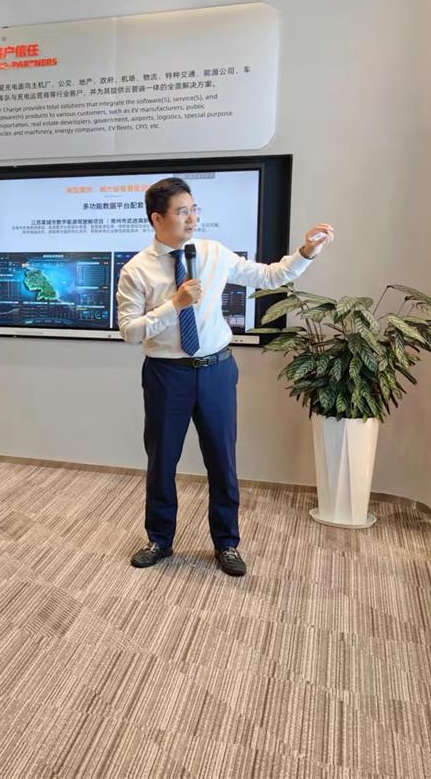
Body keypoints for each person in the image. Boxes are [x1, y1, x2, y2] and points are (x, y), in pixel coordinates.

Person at [115, 177, 335, 577]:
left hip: (216, 370)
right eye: (182, 212)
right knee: (162, 460)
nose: (192, 219)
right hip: (167, 374)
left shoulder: (213, 252)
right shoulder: (136, 270)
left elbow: (269, 276)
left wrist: (306, 252)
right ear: (157, 219)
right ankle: (159, 539)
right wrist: (174, 304)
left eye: (194, 210)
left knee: (222, 459)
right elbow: (130, 331)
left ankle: (226, 543)